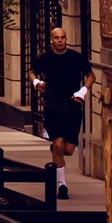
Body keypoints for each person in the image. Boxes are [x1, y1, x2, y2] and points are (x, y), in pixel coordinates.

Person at [30, 27, 90, 200]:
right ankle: (62, 185)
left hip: (72, 107)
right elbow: (32, 71)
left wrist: (83, 91)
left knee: (68, 150)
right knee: (58, 144)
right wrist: (36, 82)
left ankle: (56, 150)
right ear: (51, 40)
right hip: (52, 106)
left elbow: (91, 75)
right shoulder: (44, 58)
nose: (60, 40)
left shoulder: (75, 57)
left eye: (63, 37)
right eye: (56, 38)